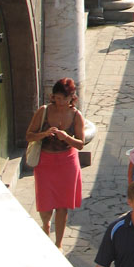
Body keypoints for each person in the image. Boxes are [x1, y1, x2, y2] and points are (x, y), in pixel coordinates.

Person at [26, 77, 85, 251]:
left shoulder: (76, 115)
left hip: (67, 163)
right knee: (45, 205)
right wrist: (44, 134)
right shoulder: (44, 111)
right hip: (46, 162)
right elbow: (29, 135)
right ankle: (46, 228)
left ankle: (58, 244)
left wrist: (66, 137)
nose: (59, 102)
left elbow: (80, 144)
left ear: (71, 98)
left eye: (63, 99)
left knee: (62, 205)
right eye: (57, 98)